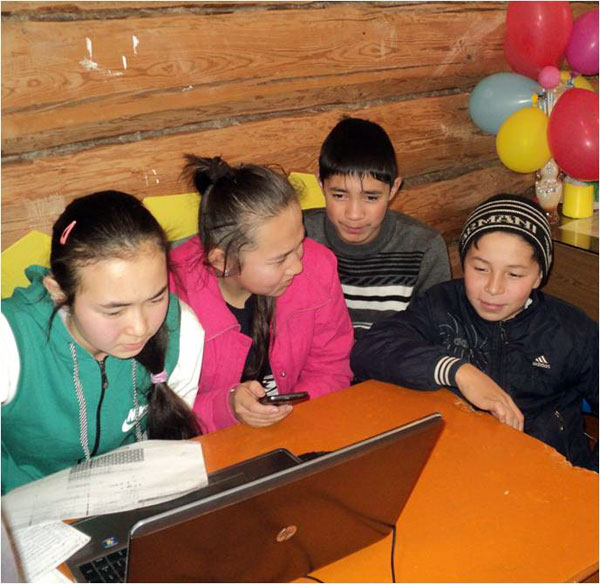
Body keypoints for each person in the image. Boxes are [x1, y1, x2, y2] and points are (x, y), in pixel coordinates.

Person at [351, 193, 598, 470]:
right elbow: (368, 350)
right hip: (455, 466)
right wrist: (458, 371)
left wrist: (591, 479)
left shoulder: (571, 330)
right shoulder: (440, 304)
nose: (493, 288)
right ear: (463, 261)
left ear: (539, 275)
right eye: (480, 268)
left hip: (549, 475)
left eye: (514, 274)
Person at [1, 191, 204, 494]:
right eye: (114, 310)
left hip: (134, 499)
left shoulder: (182, 329)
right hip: (23, 508)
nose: (140, 328)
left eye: (156, 298)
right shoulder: (11, 342)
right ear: (58, 292)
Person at [169, 156, 354, 433]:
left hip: (297, 429)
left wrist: (291, 412)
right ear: (222, 261)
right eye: (280, 259)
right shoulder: (170, 298)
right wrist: (227, 407)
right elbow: (161, 410)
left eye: (300, 242)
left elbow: (331, 367)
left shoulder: (318, 268)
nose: (298, 266)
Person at [304, 117, 451, 339]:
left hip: (392, 359)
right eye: (339, 195)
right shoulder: (299, 236)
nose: (354, 214)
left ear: (393, 189)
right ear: (321, 184)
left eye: (371, 197)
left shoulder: (424, 247)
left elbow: (437, 330)